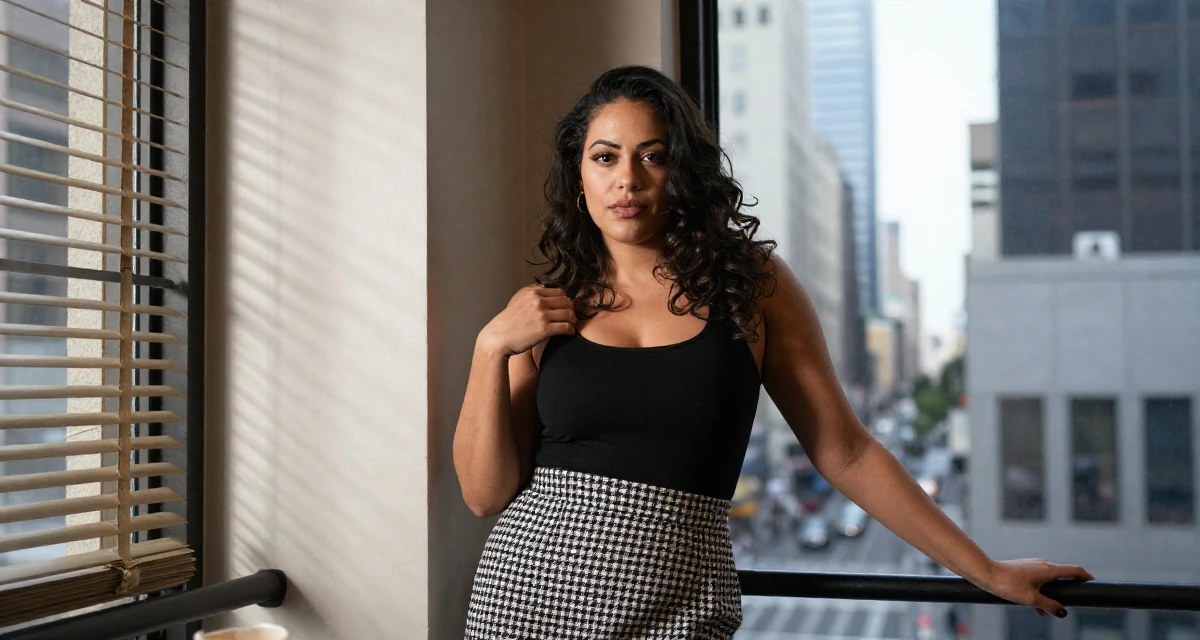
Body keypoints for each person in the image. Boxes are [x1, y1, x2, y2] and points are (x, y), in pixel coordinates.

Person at [452, 65, 1093, 639]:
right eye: (605, 157)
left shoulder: (750, 283)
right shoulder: (546, 305)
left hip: (680, 612)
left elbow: (845, 449)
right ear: (580, 176)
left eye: (652, 156)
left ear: (683, 172)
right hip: (526, 606)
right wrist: (490, 349)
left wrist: (983, 569)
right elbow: (486, 494)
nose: (627, 178)